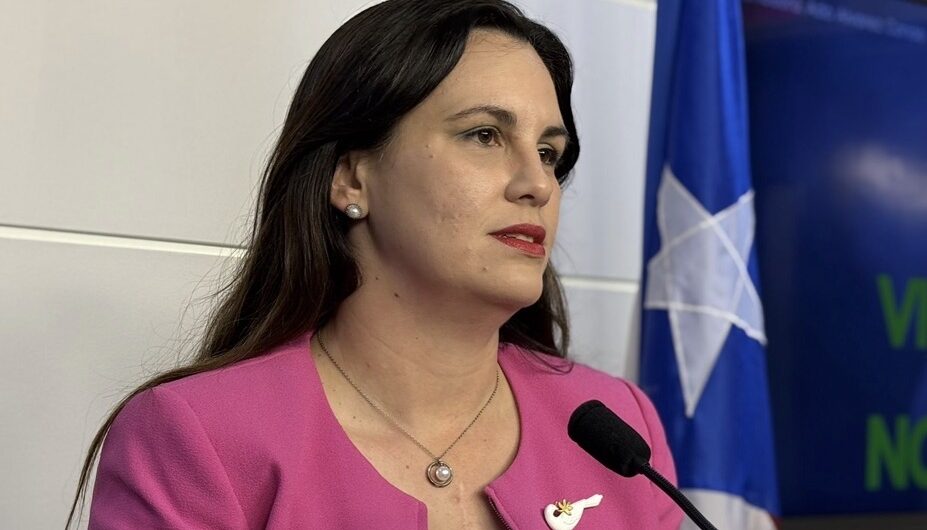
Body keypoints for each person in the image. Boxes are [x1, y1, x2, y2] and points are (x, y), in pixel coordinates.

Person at [66, 1, 683, 528]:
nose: (538, 185)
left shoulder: (621, 430)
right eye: (484, 135)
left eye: (549, 152)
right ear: (352, 177)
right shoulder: (199, 437)